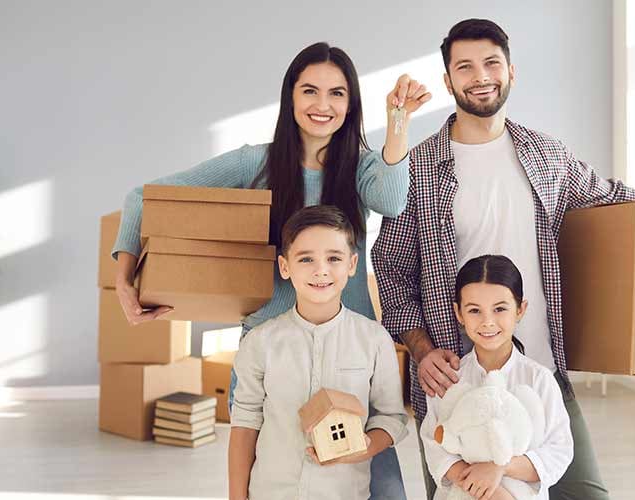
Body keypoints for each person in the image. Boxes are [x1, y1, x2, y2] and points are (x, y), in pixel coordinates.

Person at [112, 41, 430, 499]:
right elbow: (143, 199)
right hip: (271, 352)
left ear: (351, 103)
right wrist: (125, 281)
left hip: (351, 352)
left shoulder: (361, 169)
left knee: (380, 489)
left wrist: (399, 121)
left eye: (337, 94)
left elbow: (392, 199)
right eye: (310, 91)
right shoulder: (253, 164)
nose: (323, 105)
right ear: (290, 97)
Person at [373, 19, 635, 499]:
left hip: (542, 372)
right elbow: (392, 271)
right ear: (448, 81)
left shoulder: (547, 155)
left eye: (491, 63)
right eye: (464, 66)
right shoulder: (418, 167)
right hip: (456, 389)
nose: (480, 75)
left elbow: (615, 200)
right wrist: (420, 353)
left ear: (511, 71)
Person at [228, 205, 408, 500]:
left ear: (352, 265)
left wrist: (363, 446)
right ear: (285, 267)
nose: (321, 269)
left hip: (345, 493)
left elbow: (392, 418)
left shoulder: (374, 339)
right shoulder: (260, 342)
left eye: (333, 258)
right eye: (306, 258)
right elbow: (245, 425)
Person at [421, 255, 573, 500]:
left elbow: (558, 450)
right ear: (458, 313)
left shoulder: (539, 379)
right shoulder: (449, 378)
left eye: (500, 308)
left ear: (520, 309)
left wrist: (499, 467)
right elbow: (434, 442)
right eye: (474, 311)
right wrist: (485, 489)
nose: (487, 322)